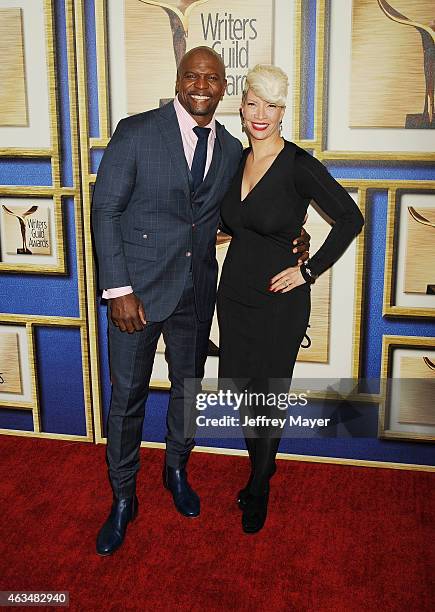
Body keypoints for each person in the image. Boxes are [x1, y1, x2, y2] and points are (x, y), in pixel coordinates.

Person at [91, 47, 310, 555]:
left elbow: (245, 213)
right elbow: (106, 211)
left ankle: (175, 471)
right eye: (192, 75)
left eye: (212, 78)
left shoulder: (232, 148)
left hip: (197, 293)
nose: (201, 85)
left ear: (223, 87)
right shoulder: (137, 131)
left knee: (187, 392)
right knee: (127, 401)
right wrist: (119, 291)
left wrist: (293, 239)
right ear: (178, 79)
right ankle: (123, 497)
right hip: (137, 297)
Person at [217, 64, 364, 534]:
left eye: (272, 105)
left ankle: (259, 484)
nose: (262, 114)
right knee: (241, 391)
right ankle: (263, 465)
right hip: (234, 295)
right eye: (253, 103)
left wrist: (309, 269)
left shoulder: (299, 164)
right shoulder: (234, 160)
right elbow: (231, 221)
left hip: (279, 303)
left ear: (284, 112)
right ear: (241, 107)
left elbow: (350, 218)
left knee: (268, 396)